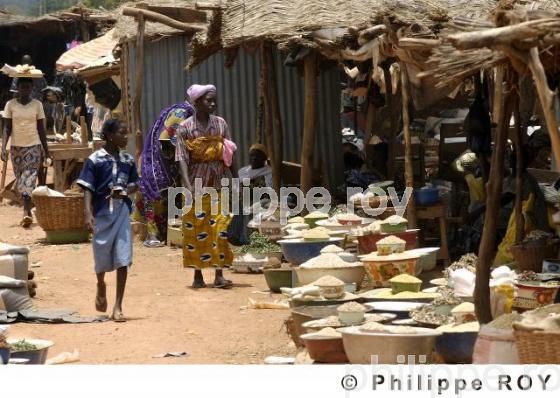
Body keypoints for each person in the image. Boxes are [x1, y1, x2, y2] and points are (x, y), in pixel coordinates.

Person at [175, 84, 237, 289]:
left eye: (214, 100)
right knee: (195, 230)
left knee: (219, 228)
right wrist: (187, 184)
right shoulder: (185, 128)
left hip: (218, 184)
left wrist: (235, 180)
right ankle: (198, 275)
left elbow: (229, 154)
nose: (213, 103)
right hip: (195, 185)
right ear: (196, 102)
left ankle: (219, 274)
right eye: (208, 100)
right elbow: (182, 158)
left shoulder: (220, 124)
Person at [77, 119, 139, 322]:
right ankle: (101, 283)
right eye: (122, 132)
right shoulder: (95, 160)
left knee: (123, 257)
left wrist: (125, 191)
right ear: (110, 135)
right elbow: (87, 188)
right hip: (102, 214)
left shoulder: (128, 160)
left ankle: (118, 306)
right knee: (101, 256)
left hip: (121, 212)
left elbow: (134, 185)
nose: (126, 136)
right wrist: (88, 213)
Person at [133, 100, 195, 247]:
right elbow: (168, 142)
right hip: (153, 165)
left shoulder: (184, 117)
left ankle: (170, 233)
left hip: (168, 166)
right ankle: (152, 233)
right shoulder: (177, 120)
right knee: (152, 193)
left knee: (174, 196)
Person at [1, 77, 51, 227]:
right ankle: (27, 207)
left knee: (29, 178)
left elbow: (41, 129)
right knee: (20, 179)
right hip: (16, 148)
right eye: (22, 87)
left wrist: (46, 151)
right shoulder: (10, 105)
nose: (25, 90)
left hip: (33, 146)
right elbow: (6, 127)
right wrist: (3, 147)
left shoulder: (37, 105)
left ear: (31, 88)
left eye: (28, 87)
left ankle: (26, 211)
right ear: (18, 88)